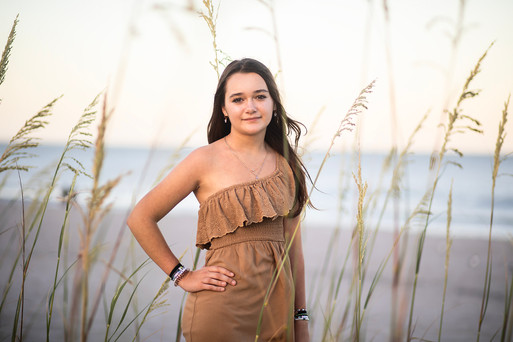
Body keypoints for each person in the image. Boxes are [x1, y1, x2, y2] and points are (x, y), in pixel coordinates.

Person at [127, 58, 311, 341]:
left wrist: (301, 317)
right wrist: (181, 275)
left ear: (273, 104)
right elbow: (140, 217)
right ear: (224, 109)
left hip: (278, 315)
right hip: (221, 313)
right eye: (238, 99)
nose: (250, 106)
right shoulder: (203, 160)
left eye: (260, 96)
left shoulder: (287, 166)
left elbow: (293, 248)